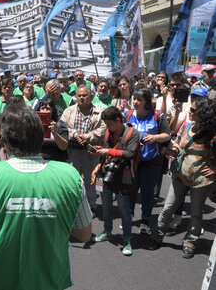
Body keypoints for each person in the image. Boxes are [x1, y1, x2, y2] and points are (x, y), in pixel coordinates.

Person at [0, 104, 92, 290]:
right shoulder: (69, 175)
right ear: (41, 138)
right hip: (51, 280)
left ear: (4, 142)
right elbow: (84, 234)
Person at [149, 98, 216, 258]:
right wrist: (173, 150)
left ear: (204, 114)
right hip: (180, 176)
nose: (189, 112)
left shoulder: (213, 135)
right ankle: (157, 235)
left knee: (196, 212)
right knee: (168, 207)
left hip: (201, 181)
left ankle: (190, 242)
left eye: (193, 111)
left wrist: (214, 168)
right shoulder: (187, 126)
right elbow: (178, 143)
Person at [90, 106, 139, 256]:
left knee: (124, 210)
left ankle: (127, 240)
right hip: (108, 174)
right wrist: (98, 149)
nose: (108, 127)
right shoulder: (108, 133)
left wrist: (108, 151)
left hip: (123, 177)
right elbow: (106, 150)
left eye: (109, 124)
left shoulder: (132, 133)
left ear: (118, 120)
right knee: (106, 206)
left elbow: (130, 153)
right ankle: (107, 231)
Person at [125, 89, 171, 233]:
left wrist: (154, 138)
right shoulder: (128, 115)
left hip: (152, 161)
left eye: (139, 100)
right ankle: (129, 217)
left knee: (147, 192)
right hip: (132, 161)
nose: (136, 102)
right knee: (131, 190)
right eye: (134, 99)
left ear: (146, 101)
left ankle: (145, 220)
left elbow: (167, 135)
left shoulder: (158, 115)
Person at [61, 85, 106, 211]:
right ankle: (71, 203)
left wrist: (86, 137)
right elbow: (62, 127)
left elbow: (103, 129)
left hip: (91, 151)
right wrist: (75, 135)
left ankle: (91, 205)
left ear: (91, 97)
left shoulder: (99, 112)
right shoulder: (68, 111)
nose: (81, 98)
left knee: (91, 179)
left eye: (84, 96)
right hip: (73, 150)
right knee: (72, 178)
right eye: (79, 95)